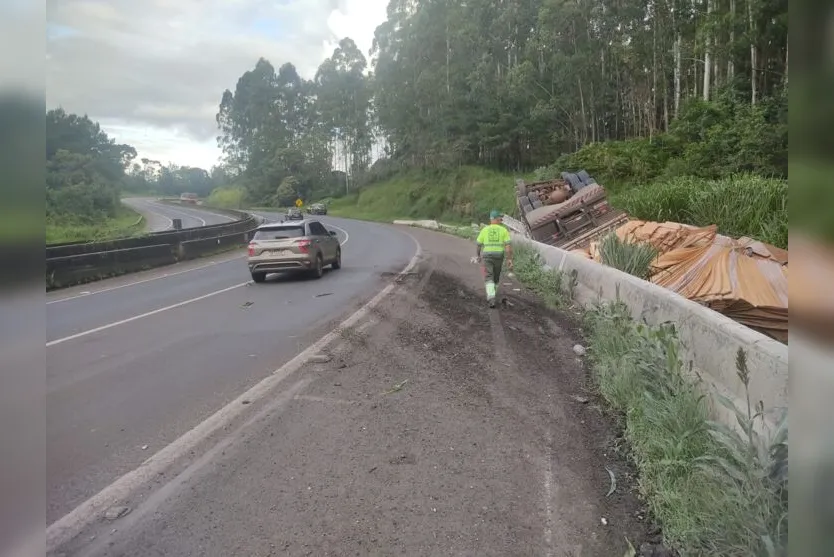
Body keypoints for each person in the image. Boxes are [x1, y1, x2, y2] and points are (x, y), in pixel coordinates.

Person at [475, 209, 513, 308]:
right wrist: (509, 259)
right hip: (498, 256)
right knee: (495, 277)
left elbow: (478, 245)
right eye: (499, 218)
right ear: (495, 219)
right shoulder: (504, 230)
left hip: (487, 255)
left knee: (489, 277)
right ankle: (492, 295)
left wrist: (478, 256)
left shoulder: (484, 230)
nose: (501, 219)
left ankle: (491, 298)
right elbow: (508, 247)